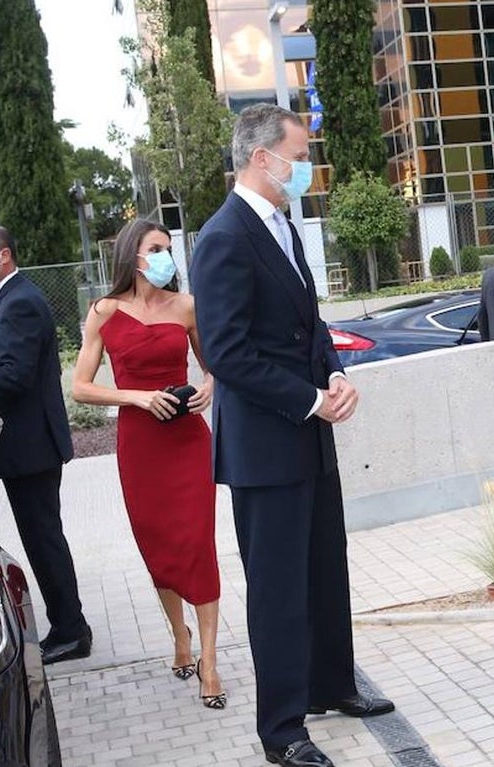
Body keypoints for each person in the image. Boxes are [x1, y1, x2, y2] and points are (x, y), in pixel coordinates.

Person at [190, 103, 392, 767]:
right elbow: (227, 351)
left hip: (309, 437)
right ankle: (282, 730)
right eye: (299, 156)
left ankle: (333, 683)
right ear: (260, 157)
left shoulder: (284, 228)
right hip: (265, 449)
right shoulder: (223, 237)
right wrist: (309, 400)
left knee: (325, 570)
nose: (305, 168)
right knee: (277, 591)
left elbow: (309, 325)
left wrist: (334, 377)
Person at [71, 218, 225, 708]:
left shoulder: (187, 307)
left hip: (188, 440)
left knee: (198, 543)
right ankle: (179, 639)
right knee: (158, 545)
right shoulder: (103, 312)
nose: (166, 257)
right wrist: (137, 397)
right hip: (140, 444)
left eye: (169, 248)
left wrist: (208, 388)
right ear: (131, 256)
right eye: (156, 248)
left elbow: (215, 364)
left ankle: (210, 661)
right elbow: (81, 386)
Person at [0, 224, 92, 665]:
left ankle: (72, 630)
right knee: (40, 538)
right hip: (23, 450)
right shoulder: (3, 298)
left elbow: (12, 377)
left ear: (3, 256)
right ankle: (68, 624)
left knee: (43, 540)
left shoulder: (21, 302)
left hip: (31, 449)